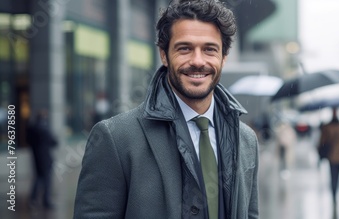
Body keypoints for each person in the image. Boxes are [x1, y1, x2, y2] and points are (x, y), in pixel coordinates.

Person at [74, 1, 259, 218]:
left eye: (209, 49)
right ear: (164, 54)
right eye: (185, 48)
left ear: (223, 58)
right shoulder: (115, 138)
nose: (198, 61)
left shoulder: (246, 139)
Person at [27, 109, 58, 209]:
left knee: (38, 178)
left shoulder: (32, 129)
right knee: (47, 179)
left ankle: (33, 198)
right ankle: (46, 200)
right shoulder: (44, 129)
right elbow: (54, 141)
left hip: (36, 158)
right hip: (45, 158)